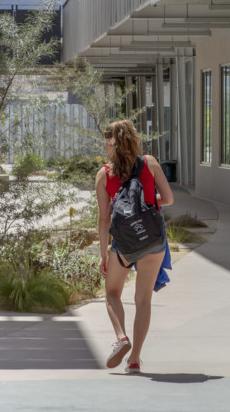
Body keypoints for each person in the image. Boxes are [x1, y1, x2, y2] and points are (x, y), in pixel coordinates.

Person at [96, 119, 174, 374]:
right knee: (143, 300)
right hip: (153, 240)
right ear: (133, 140)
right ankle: (135, 359)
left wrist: (102, 255)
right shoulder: (149, 163)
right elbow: (169, 199)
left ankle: (121, 338)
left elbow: (104, 218)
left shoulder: (104, 174)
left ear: (111, 145)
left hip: (124, 245)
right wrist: (148, 202)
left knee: (112, 293)